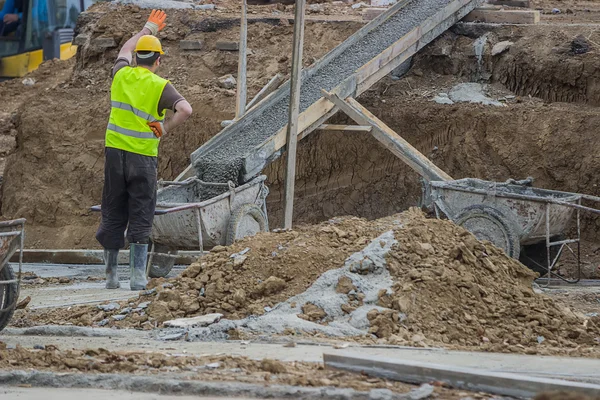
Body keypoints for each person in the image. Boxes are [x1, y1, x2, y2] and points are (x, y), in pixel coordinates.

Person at [96, 9, 193, 291]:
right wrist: (164, 128)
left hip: (115, 155)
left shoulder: (121, 74)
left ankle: (111, 277)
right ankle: (138, 278)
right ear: (159, 61)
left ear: (137, 57)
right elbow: (185, 109)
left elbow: (126, 47)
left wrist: (147, 28)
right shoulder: (160, 85)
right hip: (142, 157)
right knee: (141, 210)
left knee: (113, 209)